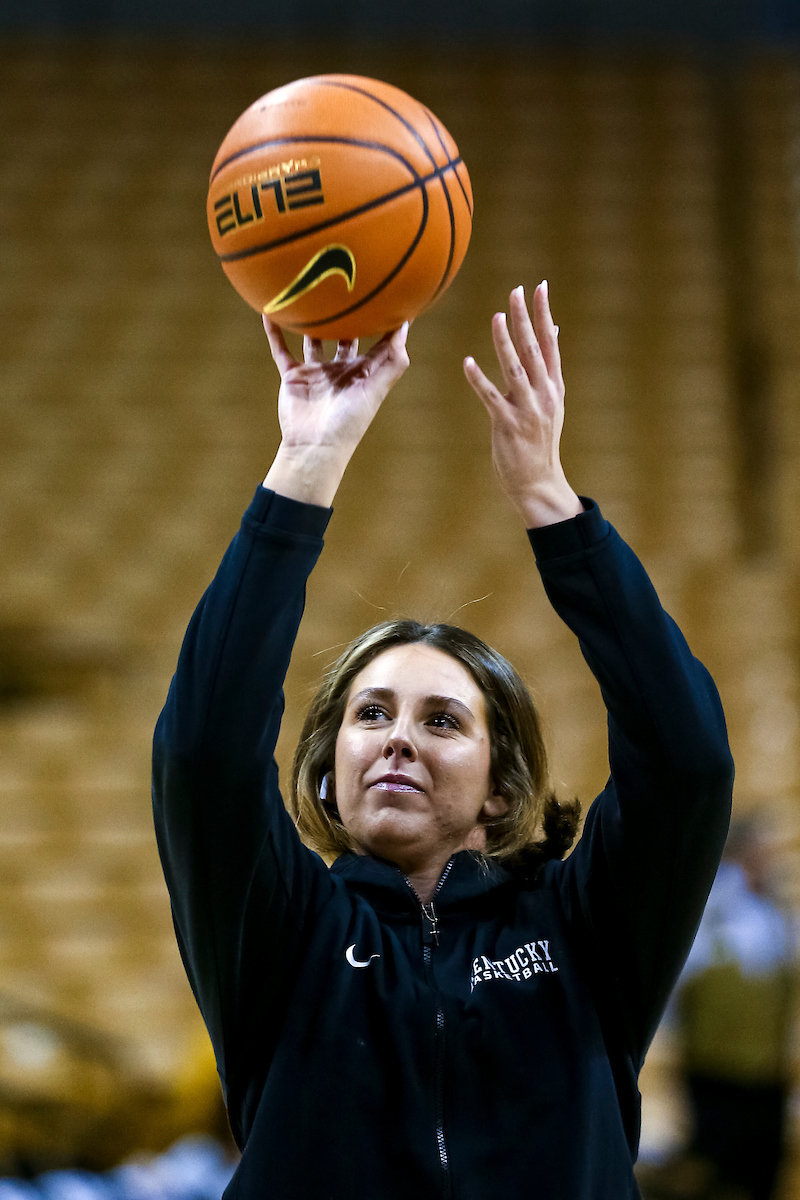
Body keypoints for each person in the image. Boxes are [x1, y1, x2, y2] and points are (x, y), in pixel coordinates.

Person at [152, 283, 734, 1199]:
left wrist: (550, 501)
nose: (397, 741)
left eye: (442, 720)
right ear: (329, 770)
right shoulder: (282, 930)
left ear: (503, 788)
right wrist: (308, 458)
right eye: (370, 714)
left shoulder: (583, 932)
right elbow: (203, 756)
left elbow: (688, 764)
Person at [671, 816, 796, 1200]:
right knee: (716, 1179)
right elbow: (684, 980)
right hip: (716, 1076)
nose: (768, 861)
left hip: (767, 1079)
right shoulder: (709, 907)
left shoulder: (777, 915)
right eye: (760, 852)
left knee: (762, 1178)